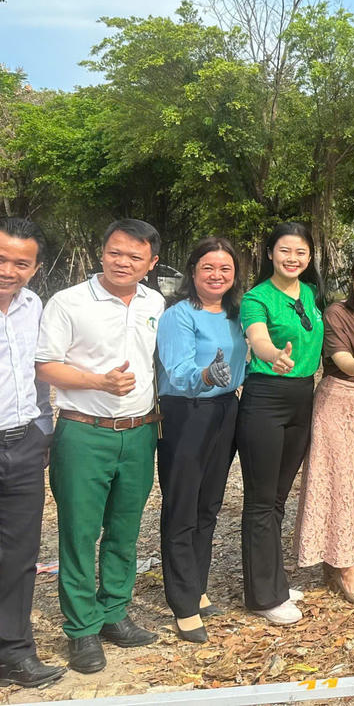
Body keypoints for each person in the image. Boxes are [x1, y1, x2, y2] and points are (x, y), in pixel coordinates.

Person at [36, 219, 165, 673]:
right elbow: (46, 365)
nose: (123, 262)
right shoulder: (68, 302)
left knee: (125, 530)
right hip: (84, 431)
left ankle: (114, 612)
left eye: (134, 256)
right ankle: (82, 630)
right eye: (115, 252)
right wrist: (98, 382)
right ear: (102, 252)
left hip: (140, 432)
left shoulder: (155, 302)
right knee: (78, 532)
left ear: (150, 264)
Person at [155, 237, 248, 643]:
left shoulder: (236, 315)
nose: (216, 275)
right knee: (182, 504)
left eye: (225, 269)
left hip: (226, 408)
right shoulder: (179, 315)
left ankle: (198, 585)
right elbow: (177, 370)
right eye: (208, 267)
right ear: (192, 272)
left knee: (209, 503)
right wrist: (206, 376)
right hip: (186, 413)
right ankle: (183, 603)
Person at [237, 221, 325, 625]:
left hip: (302, 398)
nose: (293, 259)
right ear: (270, 253)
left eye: (301, 252)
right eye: (285, 251)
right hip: (266, 398)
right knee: (259, 500)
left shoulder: (310, 293)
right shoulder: (256, 297)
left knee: (277, 499)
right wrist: (272, 353)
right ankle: (263, 596)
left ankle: (273, 580)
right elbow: (258, 338)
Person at [295, 249, 354, 605]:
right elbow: (338, 355)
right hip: (338, 401)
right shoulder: (336, 313)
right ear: (352, 279)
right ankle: (345, 566)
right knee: (337, 482)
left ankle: (342, 553)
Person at [0, 218, 65, 688]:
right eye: (1, 258)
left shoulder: (34, 305)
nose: (9, 270)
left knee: (19, 554)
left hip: (23, 444)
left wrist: (41, 428)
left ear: (35, 268)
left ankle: (15, 652)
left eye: (21, 263)